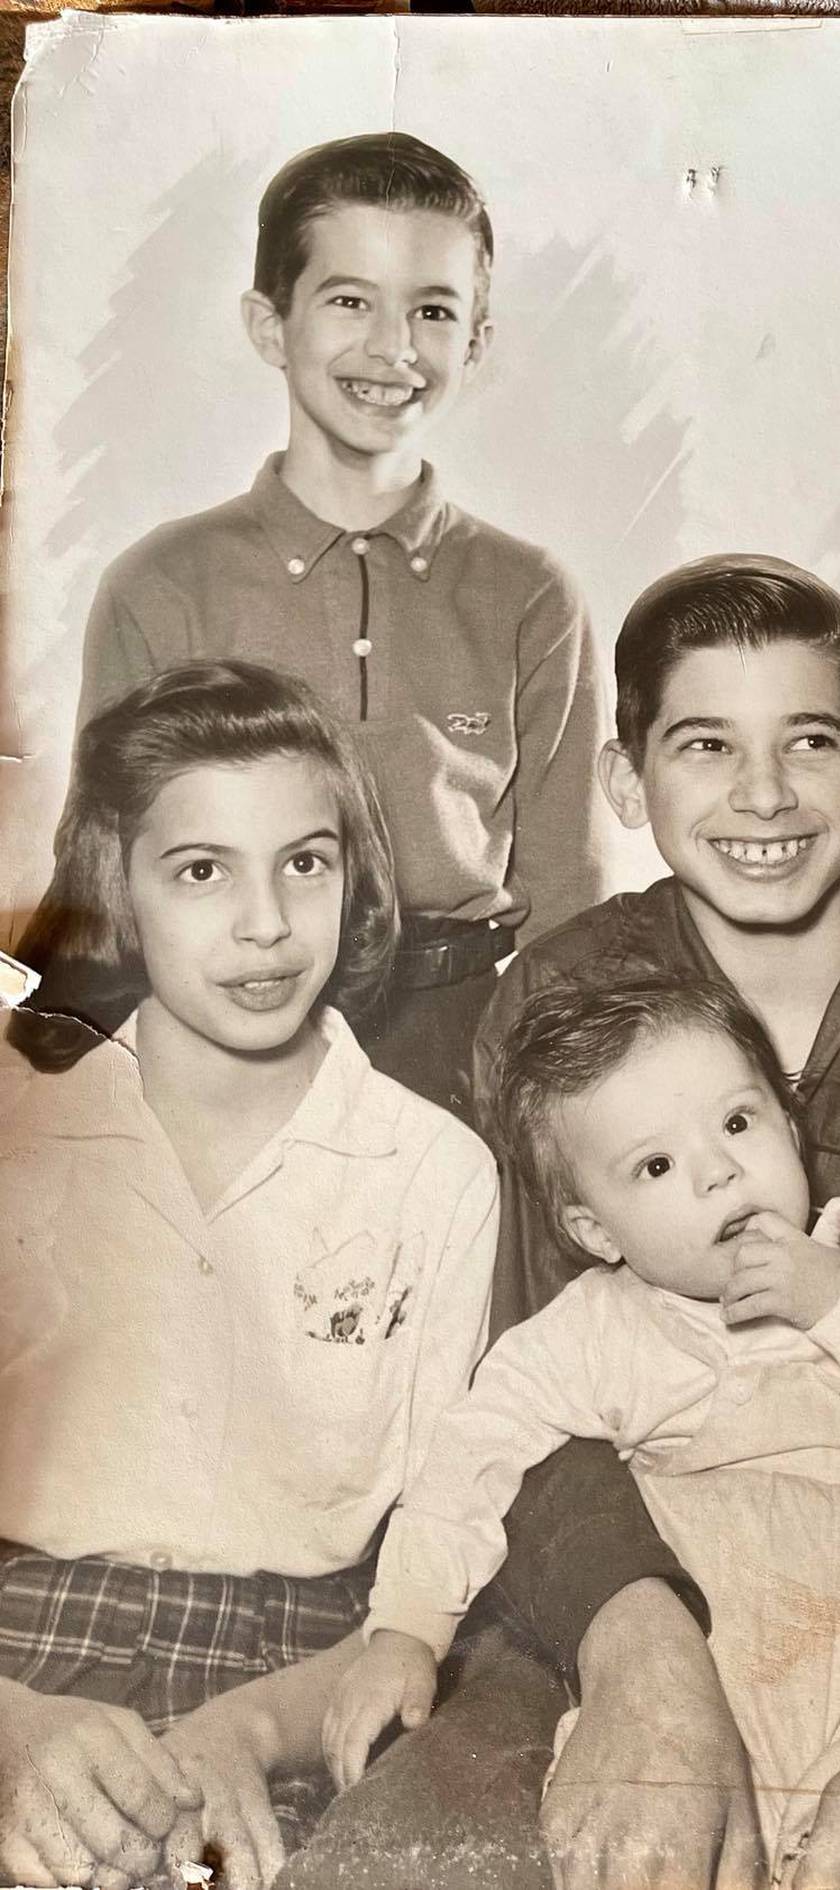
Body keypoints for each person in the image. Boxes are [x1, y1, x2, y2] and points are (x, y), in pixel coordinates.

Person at [289, 552, 840, 1890]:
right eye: (705, 744)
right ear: (632, 779)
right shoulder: (559, 1001)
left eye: (810, 740)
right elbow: (524, 1412)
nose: (763, 795)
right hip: (600, 1603)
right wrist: (640, 1654)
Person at [325, 973, 840, 1879]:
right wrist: (407, 1632)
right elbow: (468, 1458)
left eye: (738, 1124)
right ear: (595, 1227)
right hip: (716, 1699)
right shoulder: (600, 1331)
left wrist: (839, 1304)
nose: (718, 1171)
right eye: (655, 1167)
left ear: (790, 1125)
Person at [0, 662, 499, 1890]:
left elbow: (423, 1583)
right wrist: (14, 1730)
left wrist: (250, 1731)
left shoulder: (435, 1174)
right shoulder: (18, 1123)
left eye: (306, 863)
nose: (267, 923)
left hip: (300, 1676)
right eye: (202, 870)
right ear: (118, 880)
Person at [77, 132, 606, 1118]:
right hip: (228, 1033)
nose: (392, 349)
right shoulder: (160, 585)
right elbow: (104, 886)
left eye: (434, 311)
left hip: (465, 1040)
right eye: (350, 299)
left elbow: (566, 900)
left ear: (478, 340)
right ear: (271, 325)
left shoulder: (531, 594)